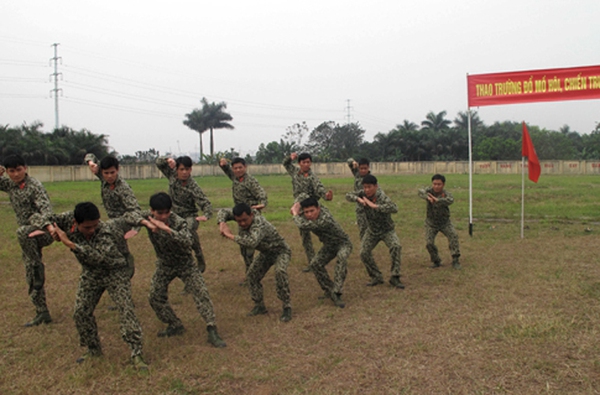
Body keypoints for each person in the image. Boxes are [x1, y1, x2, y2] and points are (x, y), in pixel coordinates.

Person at [51, 202, 147, 370]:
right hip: (91, 273)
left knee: (126, 309)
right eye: (87, 227)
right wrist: (51, 229)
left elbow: (98, 257)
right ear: (75, 222)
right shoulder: (67, 219)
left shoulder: (105, 231)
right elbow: (46, 217)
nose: (92, 230)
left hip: (114, 271)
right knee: (81, 312)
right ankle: (93, 349)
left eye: (95, 225)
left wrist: (70, 244)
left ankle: (136, 353)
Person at [138, 192, 226, 347]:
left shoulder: (178, 222)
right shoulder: (147, 216)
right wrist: (145, 223)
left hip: (185, 264)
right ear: (152, 210)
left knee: (201, 294)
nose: (164, 216)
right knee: (155, 297)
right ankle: (174, 325)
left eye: (167, 212)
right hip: (165, 264)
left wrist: (166, 229)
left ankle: (212, 329)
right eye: (160, 213)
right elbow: (129, 216)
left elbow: (187, 240)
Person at [0, 155, 56, 327]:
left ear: (25, 168)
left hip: (43, 230)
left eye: (18, 170)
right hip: (27, 237)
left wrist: (46, 225)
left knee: (24, 236)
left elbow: (46, 211)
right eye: (11, 171)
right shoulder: (10, 184)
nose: (16, 174)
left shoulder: (35, 187)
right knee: (30, 271)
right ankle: (42, 312)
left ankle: (37, 266)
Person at [218, 203, 292, 322]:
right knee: (252, 276)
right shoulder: (242, 214)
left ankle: (287, 306)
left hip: (280, 251)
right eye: (238, 221)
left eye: (244, 220)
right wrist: (222, 223)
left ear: (251, 215)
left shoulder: (258, 223)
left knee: (280, 272)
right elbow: (223, 211)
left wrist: (230, 235)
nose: (242, 224)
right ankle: (259, 306)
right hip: (266, 253)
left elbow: (252, 242)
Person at [85, 153, 140, 279]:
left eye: (112, 172)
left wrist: (135, 229)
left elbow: (135, 210)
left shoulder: (123, 188)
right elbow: (90, 155)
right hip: (112, 221)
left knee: (106, 231)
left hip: (125, 220)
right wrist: (91, 163)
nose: (109, 176)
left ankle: (126, 260)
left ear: (118, 170)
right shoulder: (103, 177)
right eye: (106, 173)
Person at [345, 175, 404, 289]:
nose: (367, 190)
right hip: (372, 231)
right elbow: (348, 195)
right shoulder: (362, 193)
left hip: (387, 230)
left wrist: (376, 206)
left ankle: (395, 277)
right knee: (364, 253)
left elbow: (394, 208)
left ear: (376, 186)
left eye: (369, 187)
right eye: (365, 187)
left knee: (396, 246)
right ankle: (376, 276)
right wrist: (358, 199)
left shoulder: (382, 197)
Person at [291, 198, 352, 308]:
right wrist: (297, 205)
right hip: (329, 246)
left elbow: (303, 225)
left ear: (318, 209)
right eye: (306, 212)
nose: (309, 215)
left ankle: (337, 292)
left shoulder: (325, 218)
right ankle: (329, 290)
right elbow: (304, 198)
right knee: (315, 264)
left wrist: (295, 214)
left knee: (342, 257)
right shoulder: (308, 214)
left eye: (312, 211)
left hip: (343, 243)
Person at [156, 155, 212, 272]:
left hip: (189, 215)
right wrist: (168, 160)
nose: (184, 172)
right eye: (182, 169)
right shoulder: (172, 176)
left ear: (191, 170)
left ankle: (198, 255)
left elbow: (205, 202)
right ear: (177, 170)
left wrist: (206, 215)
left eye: (187, 169)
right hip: (173, 215)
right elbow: (158, 163)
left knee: (188, 230)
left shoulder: (193, 186)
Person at [219, 157, 268, 282]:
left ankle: (254, 273)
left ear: (245, 167)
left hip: (250, 215)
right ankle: (250, 274)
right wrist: (223, 164)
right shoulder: (235, 177)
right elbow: (226, 170)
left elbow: (261, 193)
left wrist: (262, 203)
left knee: (251, 247)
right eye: (235, 168)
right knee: (244, 248)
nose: (238, 170)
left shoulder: (250, 181)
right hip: (239, 215)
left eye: (240, 167)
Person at [283, 152, 332, 272]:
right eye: (303, 162)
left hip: (312, 210)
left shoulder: (312, 177)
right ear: (299, 163)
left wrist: (326, 196)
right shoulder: (295, 172)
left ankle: (330, 252)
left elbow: (319, 188)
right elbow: (285, 163)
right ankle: (312, 262)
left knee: (322, 232)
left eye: (308, 162)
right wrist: (290, 157)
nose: (306, 164)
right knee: (305, 237)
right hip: (300, 210)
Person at [418, 174, 461, 269]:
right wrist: (427, 197)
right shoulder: (429, 191)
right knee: (429, 243)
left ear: (443, 185)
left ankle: (455, 259)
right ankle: (436, 260)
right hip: (431, 223)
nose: (436, 186)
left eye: (439, 184)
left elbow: (450, 200)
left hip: (445, 222)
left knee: (453, 236)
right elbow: (420, 191)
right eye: (434, 184)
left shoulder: (446, 194)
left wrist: (437, 200)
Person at [347, 157, 371, 241]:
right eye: (361, 168)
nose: (363, 170)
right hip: (360, 208)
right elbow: (349, 161)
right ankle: (365, 250)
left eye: (365, 168)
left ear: (368, 168)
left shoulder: (371, 179)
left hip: (369, 207)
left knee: (371, 230)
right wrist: (353, 162)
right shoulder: (357, 174)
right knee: (362, 230)